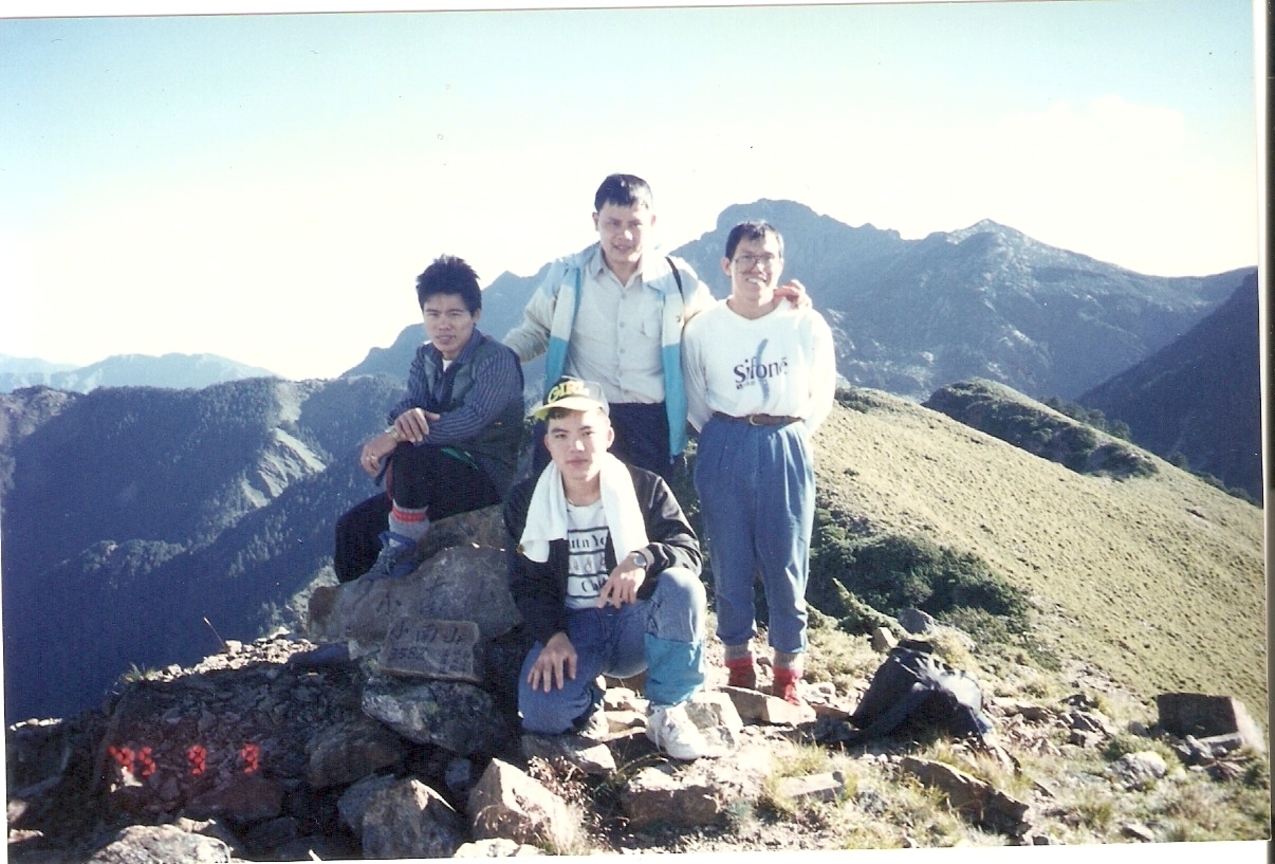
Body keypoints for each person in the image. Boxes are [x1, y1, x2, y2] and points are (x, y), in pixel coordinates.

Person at [504, 376, 719, 760]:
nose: (576, 446)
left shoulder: (644, 487)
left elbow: (688, 551)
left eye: (587, 431)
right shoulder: (527, 501)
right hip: (575, 628)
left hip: (635, 620)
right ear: (548, 443)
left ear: (607, 435)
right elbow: (526, 581)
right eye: (561, 434)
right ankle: (589, 701)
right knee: (540, 712)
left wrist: (641, 560)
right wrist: (551, 636)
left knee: (682, 586)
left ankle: (667, 709)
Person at [681, 220, 837, 704]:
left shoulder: (804, 322)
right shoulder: (703, 327)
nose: (757, 266)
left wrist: (786, 433)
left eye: (767, 257)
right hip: (723, 438)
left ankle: (788, 672)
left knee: (787, 561)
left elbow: (822, 393)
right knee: (729, 560)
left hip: (785, 441)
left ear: (780, 264)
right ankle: (738, 666)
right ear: (727, 265)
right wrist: (728, 433)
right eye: (746, 257)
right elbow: (694, 396)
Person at [501, 174, 714, 482]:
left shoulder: (677, 279)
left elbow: (714, 329)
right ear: (595, 220)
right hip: (580, 416)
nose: (624, 235)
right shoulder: (568, 275)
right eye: (613, 223)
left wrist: (777, 308)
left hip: (650, 424)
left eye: (634, 224)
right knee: (567, 516)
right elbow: (536, 329)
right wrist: (492, 358)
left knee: (643, 519)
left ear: (651, 222)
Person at [334, 254, 525, 582]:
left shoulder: (497, 361)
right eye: (433, 314)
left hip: (484, 478)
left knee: (410, 452)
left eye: (455, 314)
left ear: (475, 315)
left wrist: (394, 437)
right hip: (427, 480)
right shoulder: (425, 357)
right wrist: (402, 421)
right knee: (351, 528)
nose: (443, 324)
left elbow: (470, 420)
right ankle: (356, 613)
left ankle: (404, 551)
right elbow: (411, 404)